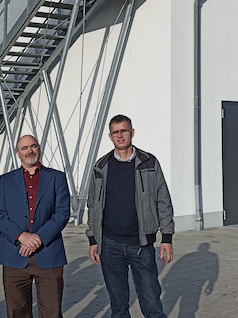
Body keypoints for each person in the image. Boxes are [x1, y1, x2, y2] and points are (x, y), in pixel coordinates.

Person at [86, 114, 175, 318]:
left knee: (152, 303)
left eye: (124, 131)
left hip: (141, 244)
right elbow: (93, 205)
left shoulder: (149, 163)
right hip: (110, 245)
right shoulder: (101, 167)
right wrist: (93, 239)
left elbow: (163, 200)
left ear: (132, 132)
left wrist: (167, 238)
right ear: (110, 136)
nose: (120, 136)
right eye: (116, 132)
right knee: (118, 307)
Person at [0, 134, 70, 318]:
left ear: (39, 149)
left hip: (48, 254)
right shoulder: (6, 180)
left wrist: (39, 238)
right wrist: (21, 236)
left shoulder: (57, 178)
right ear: (18, 153)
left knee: (51, 312)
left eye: (33, 146)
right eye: (25, 148)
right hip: (14, 255)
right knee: (17, 311)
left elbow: (62, 213)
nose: (30, 151)